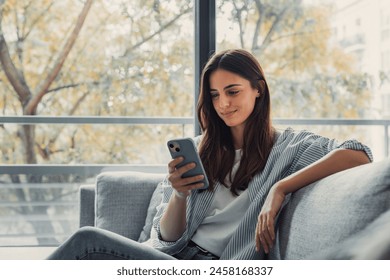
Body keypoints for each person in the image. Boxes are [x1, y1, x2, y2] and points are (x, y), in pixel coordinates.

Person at [47, 49, 372, 260]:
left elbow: (358, 154)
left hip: (220, 265)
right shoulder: (199, 149)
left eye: (233, 91)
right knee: (89, 247)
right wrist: (178, 195)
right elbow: (168, 240)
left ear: (258, 89)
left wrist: (279, 189)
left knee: (86, 241)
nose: (223, 104)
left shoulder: (289, 148)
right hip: (173, 259)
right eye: (215, 95)